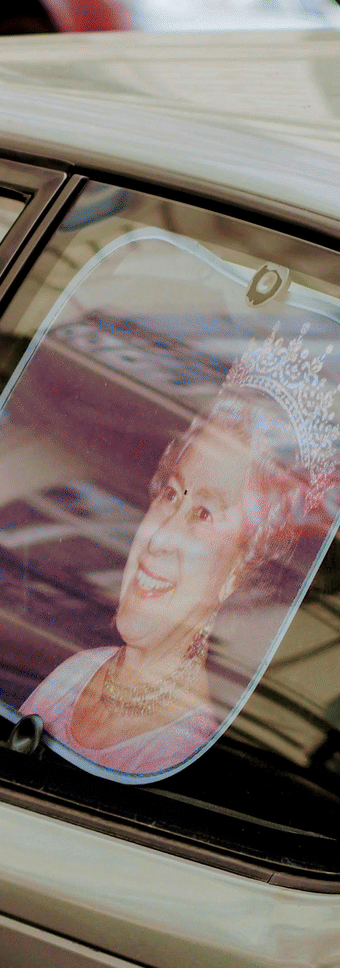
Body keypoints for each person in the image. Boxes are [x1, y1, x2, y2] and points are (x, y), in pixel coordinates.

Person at [21, 325, 339, 776]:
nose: (160, 535)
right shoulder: (74, 674)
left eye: (204, 514)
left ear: (240, 570)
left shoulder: (187, 752)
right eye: (171, 494)